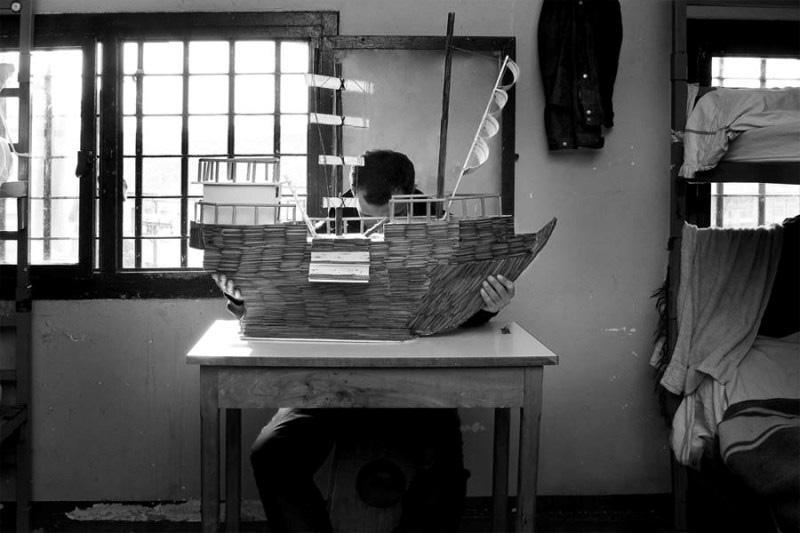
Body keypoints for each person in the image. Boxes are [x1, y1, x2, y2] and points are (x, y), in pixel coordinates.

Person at [212, 150, 515, 532]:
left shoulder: (440, 223)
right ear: (353, 192)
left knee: (443, 473)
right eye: (368, 217)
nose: (376, 229)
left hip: (418, 382)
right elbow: (288, 301)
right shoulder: (330, 223)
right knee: (272, 454)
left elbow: (459, 306)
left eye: (387, 217)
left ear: (408, 193)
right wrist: (242, 298)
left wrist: (488, 304)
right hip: (332, 381)